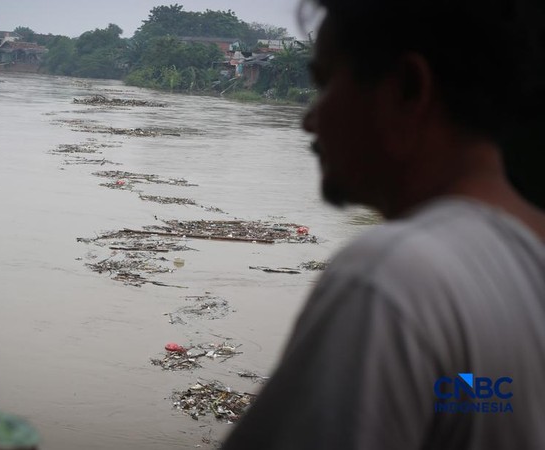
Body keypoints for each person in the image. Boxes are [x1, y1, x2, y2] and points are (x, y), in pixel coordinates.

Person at [222, 0, 545, 449]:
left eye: (326, 83)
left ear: (408, 89)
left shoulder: (388, 277)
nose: (309, 119)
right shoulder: (530, 256)